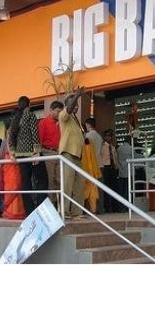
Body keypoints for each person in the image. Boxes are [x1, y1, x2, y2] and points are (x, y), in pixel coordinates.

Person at [7, 95, 41, 216]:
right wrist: (37, 151)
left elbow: (11, 137)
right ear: (29, 105)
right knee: (39, 179)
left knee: (25, 181)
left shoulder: (16, 118)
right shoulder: (30, 115)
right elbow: (35, 134)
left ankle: (28, 210)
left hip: (20, 155)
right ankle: (39, 206)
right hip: (31, 154)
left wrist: (12, 153)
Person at [58, 86, 86, 218]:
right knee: (67, 183)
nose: (76, 107)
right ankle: (64, 211)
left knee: (80, 185)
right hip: (68, 153)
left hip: (78, 155)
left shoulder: (75, 119)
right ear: (67, 105)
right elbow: (69, 109)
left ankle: (76, 213)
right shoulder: (64, 115)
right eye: (74, 104)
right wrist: (77, 96)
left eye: (77, 105)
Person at [38, 100, 64, 207]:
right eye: (58, 111)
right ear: (51, 110)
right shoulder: (43, 122)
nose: (59, 114)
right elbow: (39, 140)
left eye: (61, 112)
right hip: (48, 152)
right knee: (50, 181)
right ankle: (51, 206)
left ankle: (60, 206)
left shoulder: (62, 122)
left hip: (60, 153)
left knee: (60, 180)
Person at [83, 116, 104, 212]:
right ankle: (100, 208)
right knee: (99, 188)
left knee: (89, 187)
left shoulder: (87, 136)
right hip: (100, 164)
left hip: (90, 164)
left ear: (88, 125)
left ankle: (90, 209)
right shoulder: (99, 137)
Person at [99, 128, 120, 212]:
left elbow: (115, 159)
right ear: (104, 137)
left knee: (114, 188)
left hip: (113, 169)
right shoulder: (102, 147)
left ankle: (115, 207)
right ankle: (107, 208)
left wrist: (117, 167)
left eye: (111, 136)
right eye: (108, 136)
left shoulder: (113, 148)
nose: (109, 138)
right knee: (106, 188)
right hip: (106, 168)